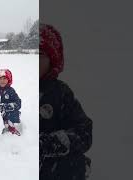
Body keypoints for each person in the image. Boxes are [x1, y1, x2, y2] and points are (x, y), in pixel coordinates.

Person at [39, 23, 93, 179]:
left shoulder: (60, 93)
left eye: (40, 53)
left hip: (51, 168)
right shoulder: (14, 88)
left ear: (52, 59)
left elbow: (84, 132)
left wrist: (53, 143)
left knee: (73, 163)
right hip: (21, 162)